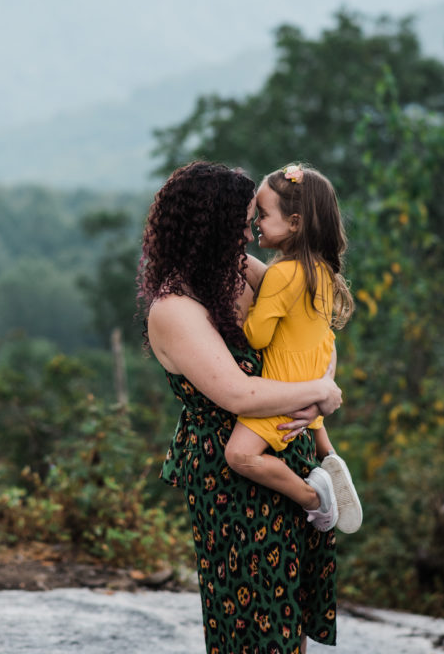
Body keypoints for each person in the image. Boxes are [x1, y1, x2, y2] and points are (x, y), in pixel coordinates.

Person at [140, 160, 344, 654]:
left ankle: (318, 495)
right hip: (232, 482)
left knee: (290, 612)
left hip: (283, 449)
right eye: (240, 223)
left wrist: (323, 383)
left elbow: (314, 332)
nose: (249, 234)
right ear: (207, 227)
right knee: (252, 621)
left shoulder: (239, 271)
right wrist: (321, 393)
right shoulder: (174, 309)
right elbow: (237, 394)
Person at [224, 163, 362, 535]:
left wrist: (244, 312)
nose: (257, 225)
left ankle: (315, 498)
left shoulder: (282, 275)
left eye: (264, 215)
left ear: (295, 223)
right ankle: (329, 458)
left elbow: (257, 338)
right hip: (314, 370)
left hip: (285, 383)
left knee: (238, 455)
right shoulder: (320, 269)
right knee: (313, 428)